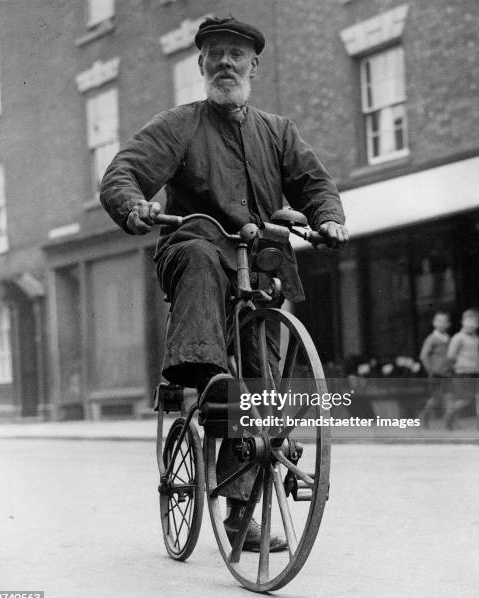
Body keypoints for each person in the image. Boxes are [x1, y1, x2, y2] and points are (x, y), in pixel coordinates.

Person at [100, 16, 348, 551]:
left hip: (259, 266)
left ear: (254, 66)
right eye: (216, 55)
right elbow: (122, 172)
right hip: (197, 251)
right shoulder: (179, 125)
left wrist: (326, 216)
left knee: (261, 389)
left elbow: (314, 182)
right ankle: (204, 372)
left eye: (237, 55)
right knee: (198, 253)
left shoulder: (277, 131)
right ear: (201, 65)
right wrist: (134, 204)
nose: (226, 64)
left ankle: (240, 513)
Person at [444, 309, 479, 430]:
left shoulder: (476, 338)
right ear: (462, 322)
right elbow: (451, 356)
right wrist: (459, 366)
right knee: (465, 399)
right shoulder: (458, 337)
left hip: (475, 372)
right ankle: (449, 416)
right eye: (468, 321)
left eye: (475, 321)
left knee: (477, 397)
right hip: (463, 373)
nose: (471, 324)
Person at [418, 311, 452, 428]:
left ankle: (450, 422)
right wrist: (430, 369)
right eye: (439, 321)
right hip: (436, 373)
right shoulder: (431, 339)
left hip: (447, 373)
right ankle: (424, 416)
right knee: (436, 398)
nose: (441, 324)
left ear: (448, 324)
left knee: (449, 397)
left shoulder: (448, 338)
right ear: (434, 323)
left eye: (444, 321)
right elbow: (424, 355)